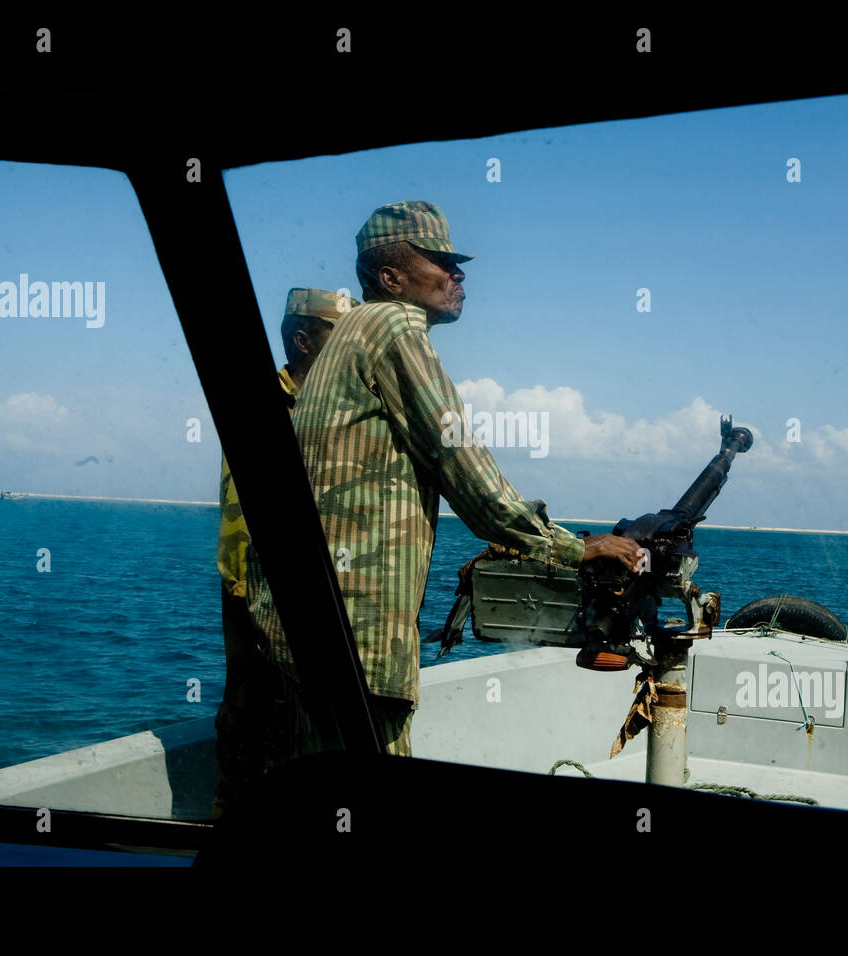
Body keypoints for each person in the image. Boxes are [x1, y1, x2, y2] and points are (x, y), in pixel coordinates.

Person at [244, 201, 642, 760]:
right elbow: (462, 462)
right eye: (441, 261)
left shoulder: (351, 332)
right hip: (355, 629)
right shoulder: (392, 325)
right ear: (391, 278)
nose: (458, 275)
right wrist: (574, 547)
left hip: (306, 621)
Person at [213, 286, 359, 819]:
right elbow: (247, 517)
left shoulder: (336, 407)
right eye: (335, 337)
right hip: (252, 585)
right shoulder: (261, 403)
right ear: (302, 340)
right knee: (247, 712)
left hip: (309, 585)